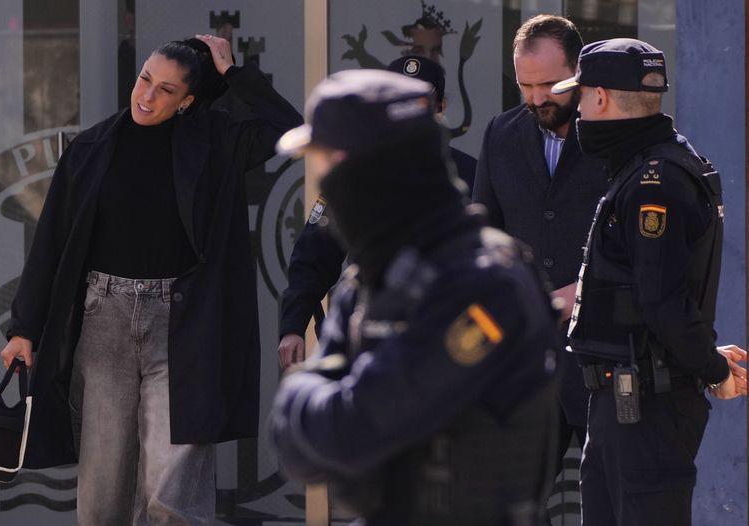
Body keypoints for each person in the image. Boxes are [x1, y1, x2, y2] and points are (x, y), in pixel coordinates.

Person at [0, 35, 302, 524]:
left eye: (165, 90)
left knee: (172, 491)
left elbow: (288, 128)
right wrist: (24, 327)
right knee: (103, 493)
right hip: (104, 317)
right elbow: (51, 241)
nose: (146, 96)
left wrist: (232, 72)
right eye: (144, 79)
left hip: (182, 324)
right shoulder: (93, 147)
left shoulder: (216, 142)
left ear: (187, 100)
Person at [269, 69, 560, 525]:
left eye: (326, 162)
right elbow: (301, 454)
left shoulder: (485, 284)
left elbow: (348, 430)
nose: (322, 183)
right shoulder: (369, 277)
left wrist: (301, 397)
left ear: (370, 166)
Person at [552, 38, 748, 525]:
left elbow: (663, 302)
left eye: (579, 96)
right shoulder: (650, 167)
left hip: (642, 410)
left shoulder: (652, 181)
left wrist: (711, 370)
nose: (576, 110)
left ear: (599, 97)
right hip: (626, 404)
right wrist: (704, 361)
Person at [471, 14, 608, 493]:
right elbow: (483, 238)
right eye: (524, 85)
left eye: (549, 84)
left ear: (580, 71)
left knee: (612, 501)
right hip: (525, 360)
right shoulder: (500, 134)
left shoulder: (617, 137)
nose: (536, 98)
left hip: (603, 358)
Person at [277, 54, 476, 370]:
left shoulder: (470, 174)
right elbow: (314, 254)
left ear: (440, 107)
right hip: (371, 333)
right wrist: (293, 323)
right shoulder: (354, 178)